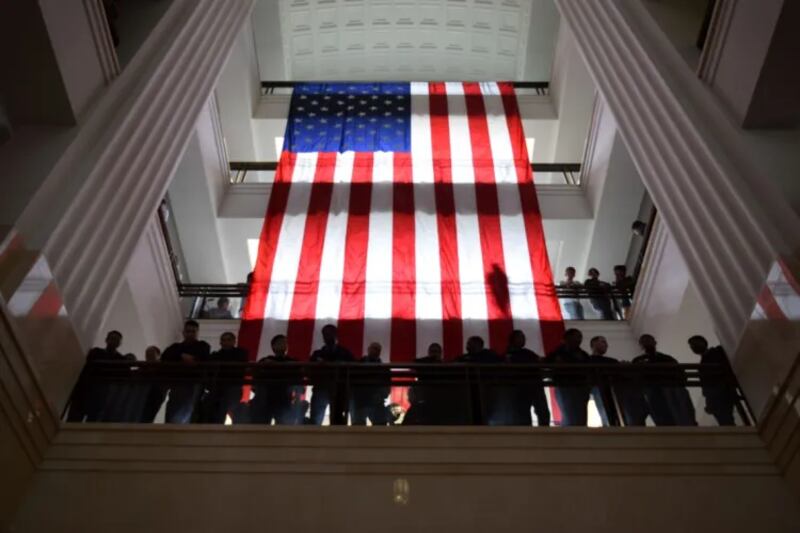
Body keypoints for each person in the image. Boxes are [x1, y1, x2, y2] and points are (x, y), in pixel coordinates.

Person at [633, 334, 697, 426]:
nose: (647, 343)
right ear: (641, 345)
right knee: (662, 416)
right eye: (644, 341)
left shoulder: (666, 358)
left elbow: (680, 373)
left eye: (649, 340)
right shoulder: (638, 361)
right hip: (654, 393)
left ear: (655, 342)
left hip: (672, 390)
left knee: (681, 414)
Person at [67, 330, 127, 422]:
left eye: (116, 340)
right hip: (84, 392)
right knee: (73, 421)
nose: (113, 341)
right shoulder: (95, 352)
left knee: (92, 423)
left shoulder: (121, 360)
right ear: (106, 340)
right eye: (112, 338)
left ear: (119, 343)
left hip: (102, 396)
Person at [161, 320, 211, 424]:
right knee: (175, 407)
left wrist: (181, 357)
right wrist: (181, 356)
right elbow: (165, 357)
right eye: (188, 331)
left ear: (197, 333)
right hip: (178, 381)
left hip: (195, 381)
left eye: (193, 331)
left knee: (190, 408)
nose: (191, 334)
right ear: (184, 332)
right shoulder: (175, 347)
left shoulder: (203, 345)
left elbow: (202, 358)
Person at [309, 324, 354, 425]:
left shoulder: (345, 353)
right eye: (326, 334)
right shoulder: (317, 354)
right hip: (321, 388)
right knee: (316, 418)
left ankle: (338, 439)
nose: (328, 336)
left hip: (339, 390)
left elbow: (353, 369)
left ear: (336, 335)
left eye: (330, 333)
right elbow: (309, 370)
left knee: (337, 418)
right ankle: (313, 439)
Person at [251, 334, 300, 425]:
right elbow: (257, 377)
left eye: (285, 343)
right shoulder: (265, 360)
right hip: (267, 396)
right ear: (273, 346)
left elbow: (298, 377)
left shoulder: (293, 361)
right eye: (280, 343)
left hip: (285, 396)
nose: (283, 345)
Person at [504, 330, 550, 426]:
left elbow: (540, 362)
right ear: (513, 339)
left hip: (535, 384)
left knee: (542, 412)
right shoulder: (508, 355)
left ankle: (545, 433)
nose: (523, 339)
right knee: (523, 413)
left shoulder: (527, 352)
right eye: (520, 337)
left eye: (523, 337)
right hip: (521, 386)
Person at [688, 335, 737, 426]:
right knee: (726, 421)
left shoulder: (716, 354)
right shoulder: (704, 363)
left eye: (694, 344)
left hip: (722, 393)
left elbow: (709, 384)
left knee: (726, 421)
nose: (693, 347)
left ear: (703, 342)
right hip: (720, 395)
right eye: (692, 346)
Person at [546, 328, 590, 426]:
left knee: (581, 416)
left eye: (580, 336)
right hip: (564, 386)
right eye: (577, 336)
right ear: (568, 338)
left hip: (581, 387)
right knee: (568, 413)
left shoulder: (583, 355)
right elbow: (547, 364)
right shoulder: (557, 353)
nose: (580, 339)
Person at [202, 332, 248, 424]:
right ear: (220, 342)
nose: (226, 342)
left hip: (233, 386)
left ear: (234, 341)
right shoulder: (216, 355)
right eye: (223, 340)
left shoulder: (240, 353)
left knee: (225, 408)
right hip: (218, 388)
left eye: (228, 340)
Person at [456, 336, 503, 425]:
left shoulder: (489, 356)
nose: (467, 346)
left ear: (478, 344)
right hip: (468, 390)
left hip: (486, 389)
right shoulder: (463, 358)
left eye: (470, 343)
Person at [404, 343, 446, 425]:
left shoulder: (445, 366)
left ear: (441, 353)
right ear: (429, 352)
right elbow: (413, 364)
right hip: (424, 397)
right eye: (432, 351)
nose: (434, 353)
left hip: (440, 399)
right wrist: (430, 360)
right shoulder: (424, 363)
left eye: (436, 351)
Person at [350, 342, 391, 426]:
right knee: (361, 426)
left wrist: (381, 395)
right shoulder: (358, 365)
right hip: (361, 401)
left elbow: (387, 388)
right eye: (374, 348)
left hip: (370, 400)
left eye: (377, 349)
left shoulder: (358, 364)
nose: (375, 351)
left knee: (378, 426)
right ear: (368, 350)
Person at [139, 346, 166, 423]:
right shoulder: (143, 367)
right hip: (142, 393)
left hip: (157, 393)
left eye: (151, 354)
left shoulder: (163, 368)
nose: (149, 357)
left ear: (158, 355)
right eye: (147, 355)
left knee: (148, 415)